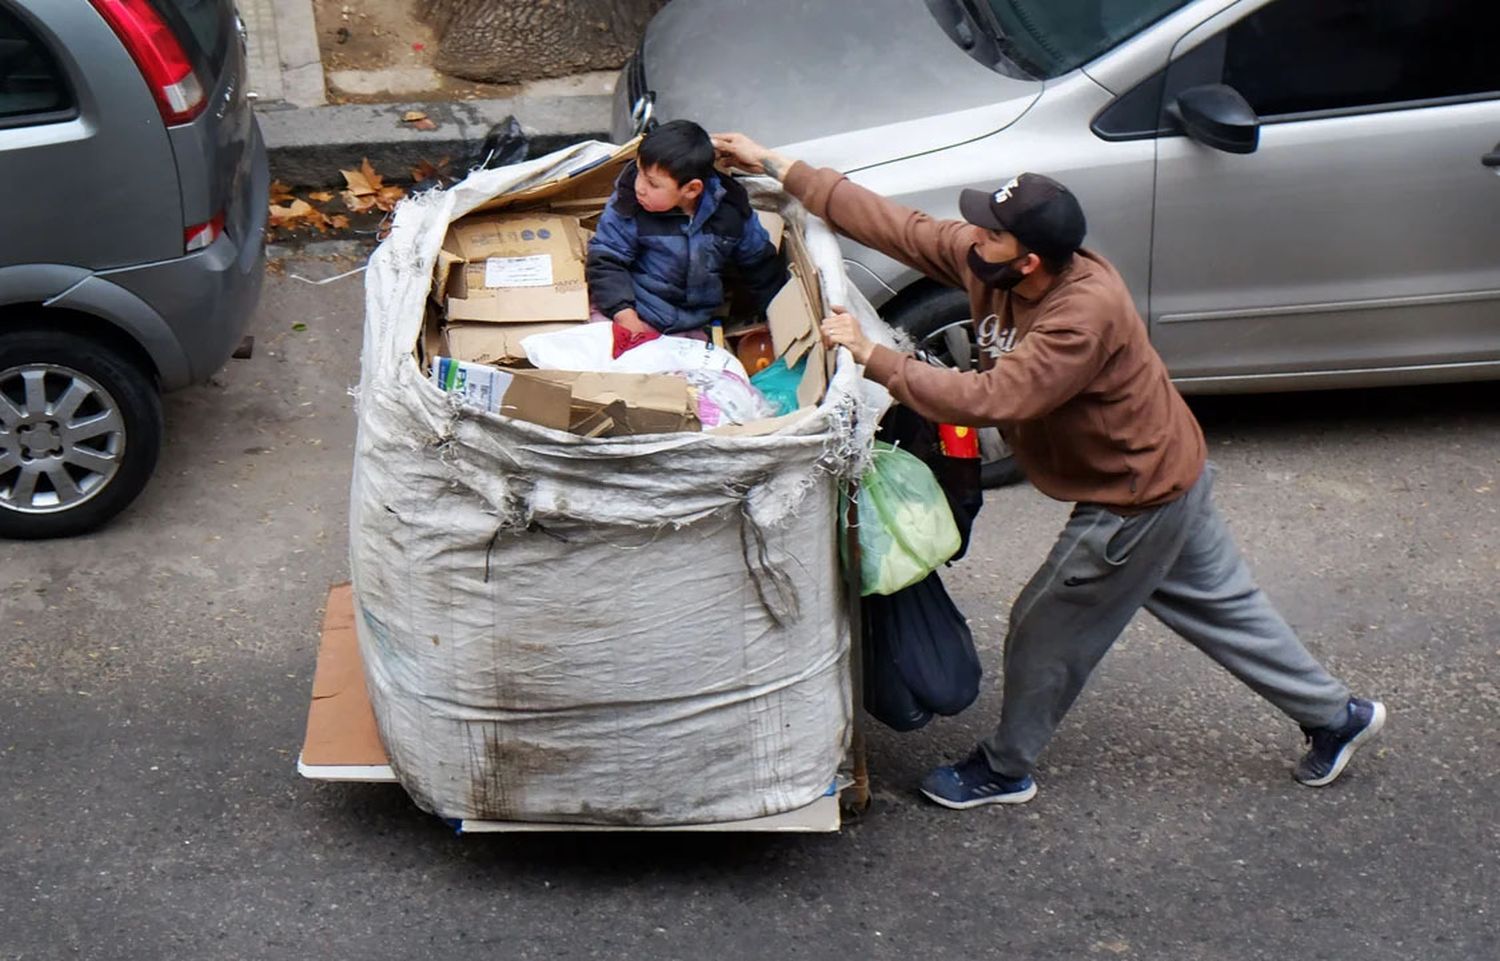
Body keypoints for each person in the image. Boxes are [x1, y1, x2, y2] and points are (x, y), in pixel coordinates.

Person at [712, 131, 1386, 809]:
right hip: (1171, 470)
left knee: (1044, 629)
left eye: (991, 232)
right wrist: (775, 163)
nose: (973, 236)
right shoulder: (994, 262)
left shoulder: (1081, 315)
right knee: (1228, 610)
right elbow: (901, 226)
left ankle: (1005, 767)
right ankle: (1338, 716)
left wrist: (872, 355)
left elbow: (992, 398)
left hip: (1134, 496)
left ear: (1030, 260)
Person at [587, 120, 786, 357]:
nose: (639, 186)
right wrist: (625, 315)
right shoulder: (629, 203)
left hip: (692, 326)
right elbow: (606, 259)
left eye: (652, 183)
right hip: (635, 312)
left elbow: (761, 267)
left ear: (691, 189)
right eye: (639, 172)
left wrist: (777, 319)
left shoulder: (731, 210)